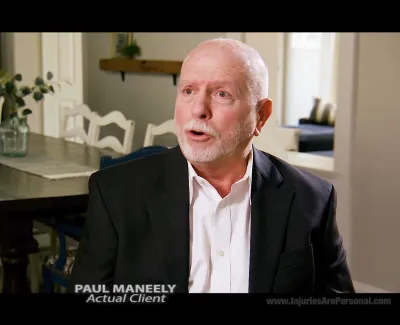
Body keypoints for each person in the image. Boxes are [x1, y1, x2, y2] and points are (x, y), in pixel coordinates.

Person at [69, 38, 354, 294]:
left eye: (222, 94)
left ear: (261, 116)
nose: (198, 109)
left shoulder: (312, 199)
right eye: (189, 91)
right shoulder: (115, 192)